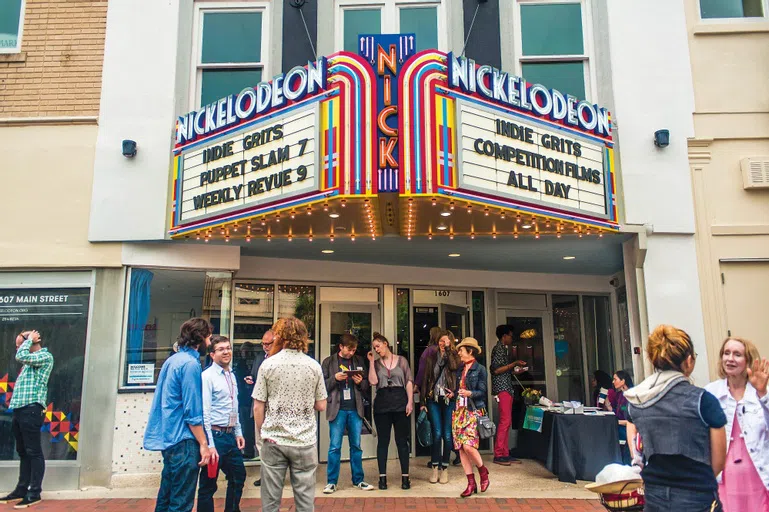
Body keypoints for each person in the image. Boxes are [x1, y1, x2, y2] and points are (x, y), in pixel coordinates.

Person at [625, 325, 727, 512]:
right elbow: (719, 459)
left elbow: (631, 425)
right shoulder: (703, 400)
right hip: (697, 493)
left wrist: (636, 457)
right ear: (688, 361)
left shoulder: (637, 400)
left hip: (655, 493)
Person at [252, 317, 327, 512]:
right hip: (304, 439)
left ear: (280, 337)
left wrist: (261, 435)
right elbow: (321, 405)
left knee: (270, 501)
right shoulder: (313, 366)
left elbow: (258, 406)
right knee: (304, 501)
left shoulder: (268, 365)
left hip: (274, 439)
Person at [144, 318, 214, 512]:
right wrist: (203, 444)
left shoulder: (172, 360)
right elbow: (192, 411)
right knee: (181, 502)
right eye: (208, 338)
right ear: (200, 338)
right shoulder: (191, 364)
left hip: (169, 439)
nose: (209, 343)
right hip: (184, 440)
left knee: (166, 497)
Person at [705, 337, 769, 511]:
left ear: (748, 360)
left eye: (737, 354)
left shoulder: (762, 391)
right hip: (724, 478)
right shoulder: (711, 392)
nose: (730, 358)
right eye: (726, 353)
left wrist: (762, 393)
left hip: (758, 476)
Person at [0, 330, 54, 509]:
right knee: (22, 451)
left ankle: (34, 491)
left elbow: (21, 356)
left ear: (31, 342)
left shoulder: (44, 357)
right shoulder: (28, 362)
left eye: (19, 344)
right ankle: (21, 489)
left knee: (33, 451)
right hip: (20, 409)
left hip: (32, 409)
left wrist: (28, 340)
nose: (18, 348)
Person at [320, 333, 375, 493]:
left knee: (356, 446)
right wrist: (334, 379)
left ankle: (358, 480)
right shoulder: (329, 362)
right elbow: (321, 386)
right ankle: (331, 482)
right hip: (337, 409)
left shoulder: (358, 361)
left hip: (355, 408)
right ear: (341, 347)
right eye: (349, 350)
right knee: (334, 447)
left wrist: (360, 383)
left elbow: (366, 387)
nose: (352, 353)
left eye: (354, 350)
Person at [197, 336, 247, 512]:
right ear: (212, 354)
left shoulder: (231, 375)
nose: (226, 352)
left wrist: (238, 432)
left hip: (230, 436)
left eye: (228, 348)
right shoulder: (207, 377)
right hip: (215, 436)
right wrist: (209, 445)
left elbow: (234, 406)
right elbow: (205, 412)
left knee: (238, 476)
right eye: (221, 349)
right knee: (208, 484)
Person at [367, 332, 414, 490]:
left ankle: (405, 478)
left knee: (402, 441)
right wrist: (372, 362)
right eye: (374, 348)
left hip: (400, 401)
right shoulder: (377, 363)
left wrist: (410, 402)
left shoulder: (402, 361)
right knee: (383, 441)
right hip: (382, 403)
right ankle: (382, 478)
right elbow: (373, 381)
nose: (377, 349)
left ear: (385, 343)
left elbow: (408, 381)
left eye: (378, 346)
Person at [419, 330, 460, 484]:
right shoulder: (431, 357)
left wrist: (454, 393)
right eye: (441, 341)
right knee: (436, 433)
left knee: (447, 435)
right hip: (433, 398)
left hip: (448, 399)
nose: (443, 344)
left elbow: (455, 367)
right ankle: (435, 467)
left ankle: (445, 468)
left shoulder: (454, 356)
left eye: (446, 341)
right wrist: (423, 402)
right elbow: (426, 379)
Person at [452, 337, 490, 498]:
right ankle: (470, 483)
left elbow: (482, 391)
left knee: (469, 446)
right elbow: (458, 390)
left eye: (461, 350)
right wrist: (452, 393)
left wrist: (470, 393)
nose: (459, 352)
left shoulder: (480, 369)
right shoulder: (460, 370)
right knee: (461, 449)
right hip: (459, 411)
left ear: (470, 351)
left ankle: (483, 472)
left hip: (473, 411)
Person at [489, 324, 526, 466]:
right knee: (505, 421)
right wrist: (514, 363)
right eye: (510, 335)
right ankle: (499, 453)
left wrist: (515, 370)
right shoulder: (498, 349)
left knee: (507, 421)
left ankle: (505, 452)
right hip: (502, 388)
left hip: (506, 387)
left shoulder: (502, 349)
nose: (512, 338)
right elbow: (496, 370)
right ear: (504, 336)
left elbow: (503, 370)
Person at [244, 329, 274, 486]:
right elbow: (256, 378)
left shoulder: (279, 361)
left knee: (277, 445)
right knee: (260, 443)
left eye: (268, 343)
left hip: (275, 410)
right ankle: (266, 476)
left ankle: (276, 476)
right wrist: (251, 380)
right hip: (259, 406)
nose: (265, 346)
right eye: (263, 343)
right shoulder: (259, 359)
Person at [232, 341, 256, 459]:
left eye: (247, 351)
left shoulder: (255, 363)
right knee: (243, 425)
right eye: (243, 351)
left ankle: (249, 450)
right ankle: (246, 450)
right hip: (242, 398)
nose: (245, 353)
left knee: (248, 427)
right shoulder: (239, 364)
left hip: (250, 398)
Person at [606, 370, 634, 465]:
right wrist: (609, 407)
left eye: (615, 379)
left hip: (627, 429)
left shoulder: (632, 395)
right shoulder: (620, 395)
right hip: (621, 426)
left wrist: (618, 422)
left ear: (623, 381)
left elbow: (633, 419)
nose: (613, 382)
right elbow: (619, 413)